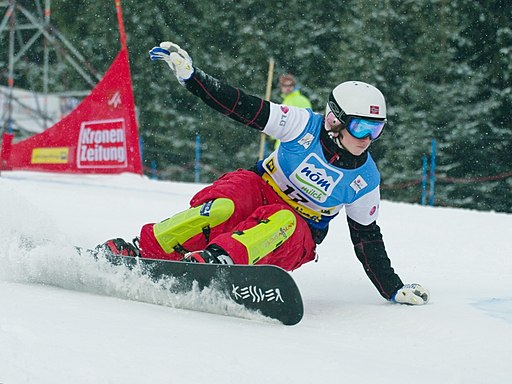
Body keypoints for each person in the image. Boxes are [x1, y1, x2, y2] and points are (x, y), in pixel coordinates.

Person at [99, 41, 429, 306]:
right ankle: (147, 247)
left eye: (377, 130)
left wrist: (392, 288)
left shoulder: (365, 180)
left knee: (283, 218)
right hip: (260, 189)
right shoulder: (302, 125)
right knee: (230, 201)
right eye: (361, 128)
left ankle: (219, 262)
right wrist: (193, 78)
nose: (368, 140)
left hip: (296, 233)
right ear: (335, 121)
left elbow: (366, 238)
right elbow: (243, 106)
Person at [272, 73, 313, 149]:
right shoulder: (285, 102)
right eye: (285, 85)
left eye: (290, 85)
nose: (288, 88)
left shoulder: (302, 100)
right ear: (281, 87)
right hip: (282, 145)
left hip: (293, 145)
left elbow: (308, 123)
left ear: (294, 86)